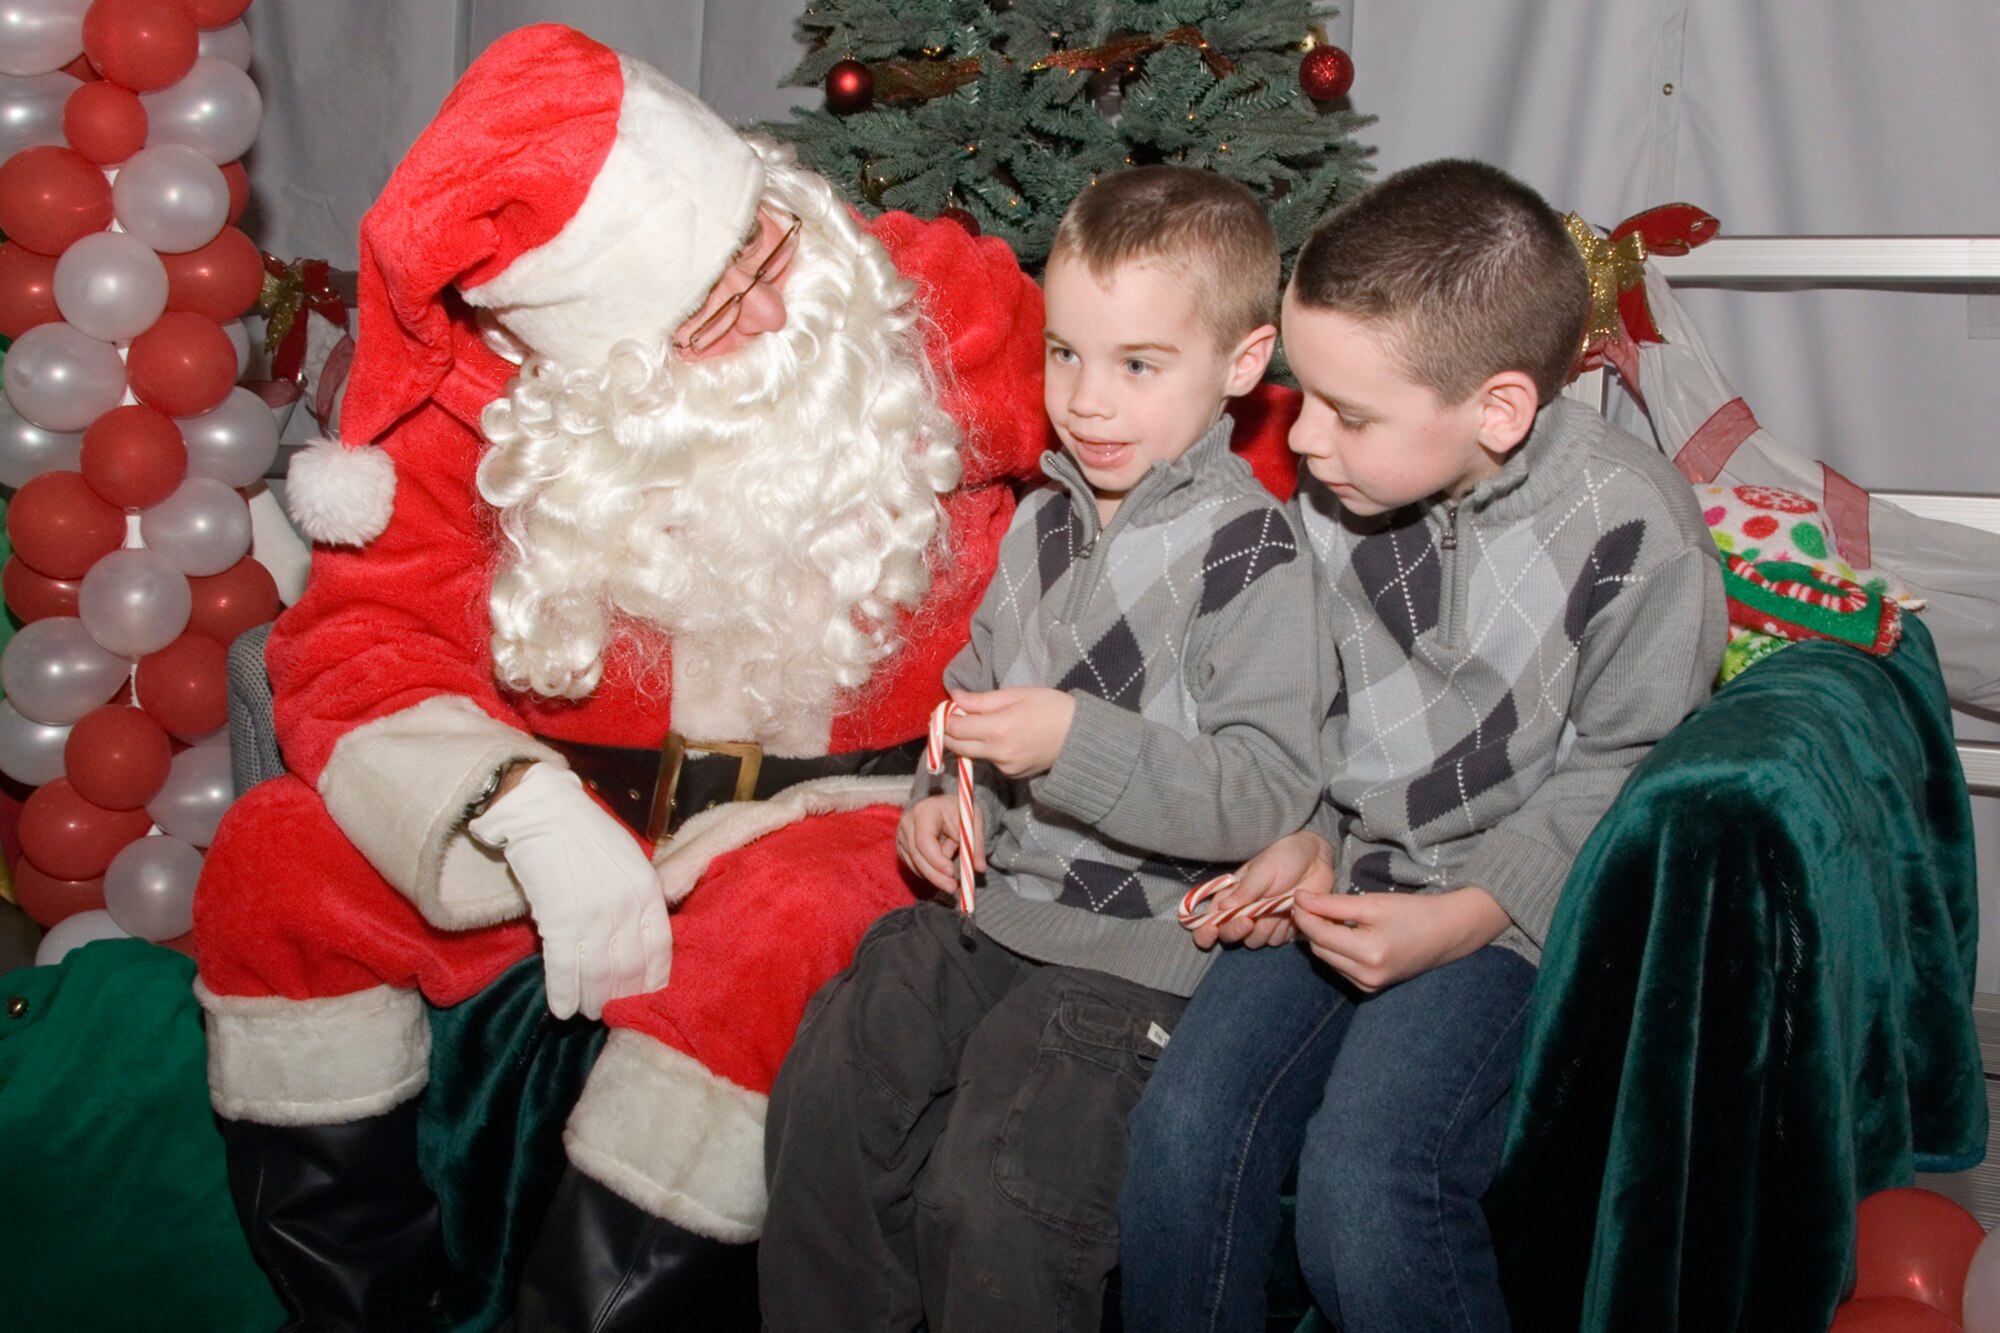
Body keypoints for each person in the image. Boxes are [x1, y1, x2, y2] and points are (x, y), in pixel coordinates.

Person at [189, 24, 1048, 1332]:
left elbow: (1168, 472)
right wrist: (517, 814)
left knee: (776, 933)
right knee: (273, 855)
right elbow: (351, 644)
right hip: (578, 807)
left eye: (763, 240)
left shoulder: (929, 310)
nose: (772, 302)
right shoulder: (478, 408)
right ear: (597, 366)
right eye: (710, 312)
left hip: (851, 813)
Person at [1117, 159, 1729, 1333]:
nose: (1301, 441)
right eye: (1301, 395)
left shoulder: (1634, 527)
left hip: (1513, 918)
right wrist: (1302, 835)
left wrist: (1469, 913)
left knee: (1364, 1181)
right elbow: (1317, 714)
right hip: (1351, 877)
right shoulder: (1332, 498)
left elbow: (1625, 767)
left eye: (1346, 411)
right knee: (1184, 1128)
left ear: (1495, 409)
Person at [759, 166, 1326, 1333]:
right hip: (992, 915)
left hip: (1138, 958)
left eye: (1136, 364)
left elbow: (1265, 792)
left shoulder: (1254, 559)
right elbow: (968, 698)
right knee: (833, 1078)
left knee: (997, 1188)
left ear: (1239, 362)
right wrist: (936, 791)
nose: (1087, 400)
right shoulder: (1045, 520)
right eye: (1065, 354)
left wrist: (1077, 741)